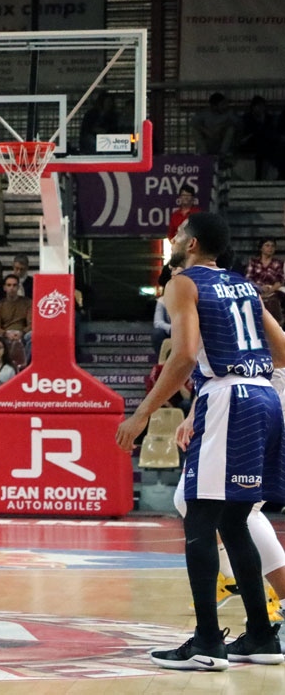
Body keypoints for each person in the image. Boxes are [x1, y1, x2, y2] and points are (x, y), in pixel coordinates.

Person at [116, 212, 285, 670]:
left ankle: (207, 642)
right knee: (233, 521)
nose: (172, 237)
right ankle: (261, 637)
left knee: (200, 515)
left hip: (229, 396)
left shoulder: (182, 283)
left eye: (177, 232)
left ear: (191, 244)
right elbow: (282, 349)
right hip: (266, 396)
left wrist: (143, 414)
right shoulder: (244, 285)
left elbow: (186, 355)